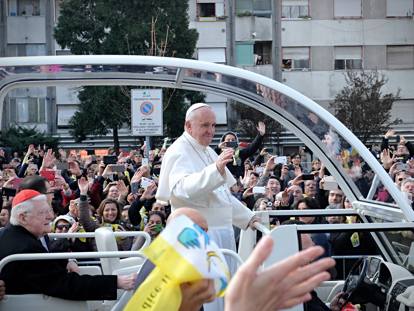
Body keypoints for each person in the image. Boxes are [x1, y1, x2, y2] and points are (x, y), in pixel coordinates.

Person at [156, 103, 257, 256]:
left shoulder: (208, 151)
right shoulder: (178, 150)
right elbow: (182, 189)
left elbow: (221, 197)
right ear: (188, 125)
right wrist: (215, 169)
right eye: (204, 125)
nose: (211, 131)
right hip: (197, 238)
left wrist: (248, 217)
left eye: (213, 125)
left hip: (221, 236)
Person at [0, 189, 136, 300]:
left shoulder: (10, 235)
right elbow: (66, 285)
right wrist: (116, 282)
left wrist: (66, 260)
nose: (50, 217)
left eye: (49, 211)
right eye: (43, 212)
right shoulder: (27, 248)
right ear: (23, 217)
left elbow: (43, 271)